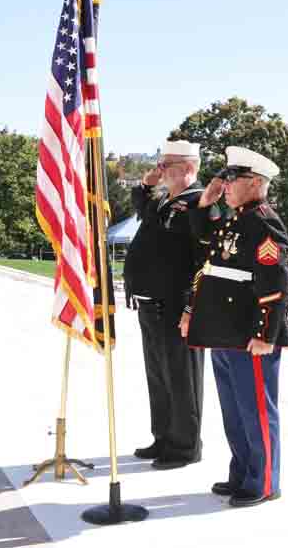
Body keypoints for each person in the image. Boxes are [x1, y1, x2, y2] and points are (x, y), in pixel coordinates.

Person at [182, 146, 288, 508]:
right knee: (234, 411)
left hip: (249, 334)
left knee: (256, 410)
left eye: (232, 178)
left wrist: (265, 333)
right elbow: (204, 248)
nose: (225, 184)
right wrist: (205, 203)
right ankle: (242, 471)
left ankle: (264, 481)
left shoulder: (264, 221)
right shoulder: (235, 220)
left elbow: (274, 283)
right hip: (225, 331)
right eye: (224, 178)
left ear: (255, 182)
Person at [124, 140, 205, 470]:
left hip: (176, 305)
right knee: (158, 377)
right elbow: (141, 207)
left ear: (188, 168)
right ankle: (163, 437)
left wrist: (191, 308)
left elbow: (204, 261)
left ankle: (185, 447)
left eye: (166, 165)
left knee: (181, 378)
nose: (161, 170)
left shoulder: (200, 203)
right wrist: (146, 184)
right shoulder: (164, 201)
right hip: (151, 304)